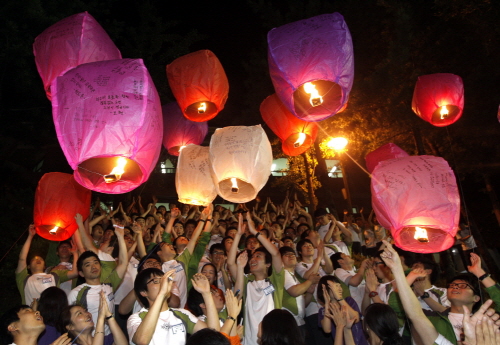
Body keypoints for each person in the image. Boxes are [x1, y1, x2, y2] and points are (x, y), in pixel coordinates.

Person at [228, 212, 284, 345]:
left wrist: (255, 231)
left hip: (273, 339)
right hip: (250, 340)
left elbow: (275, 253)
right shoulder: (247, 281)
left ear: (268, 264)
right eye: (252, 257)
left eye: (258, 256)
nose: (253, 259)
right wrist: (238, 235)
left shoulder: (275, 280)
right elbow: (230, 264)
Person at [69, 217, 128, 335]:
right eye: (88, 265)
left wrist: (120, 236)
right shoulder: (76, 293)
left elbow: (123, 263)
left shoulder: (109, 284)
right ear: (81, 273)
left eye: (96, 263)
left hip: (109, 337)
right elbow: (71, 322)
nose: (93, 266)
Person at [127, 269, 214, 345]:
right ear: (143, 292)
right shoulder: (136, 318)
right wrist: (161, 294)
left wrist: (206, 294)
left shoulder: (181, 314)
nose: (164, 283)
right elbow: (142, 340)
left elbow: (213, 333)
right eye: (156, 281)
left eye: (164, 279)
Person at [16, 225, 78, 305]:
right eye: (34, 259)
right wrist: (30, 236)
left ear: (44, 266)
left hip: (51, 316)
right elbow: (22, 258)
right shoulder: (23, 278)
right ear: (28, 266)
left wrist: (75, 253)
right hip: (31, 316)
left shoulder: (54, 275)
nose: (38, 259)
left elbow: (75, 273)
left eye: (41, 259)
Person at [60, 290, 128, 345]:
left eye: (85, 311)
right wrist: (100, 318)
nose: (87, 314)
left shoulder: (105, 340)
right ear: (70, 327)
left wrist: (108, 315)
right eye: (79, 313)